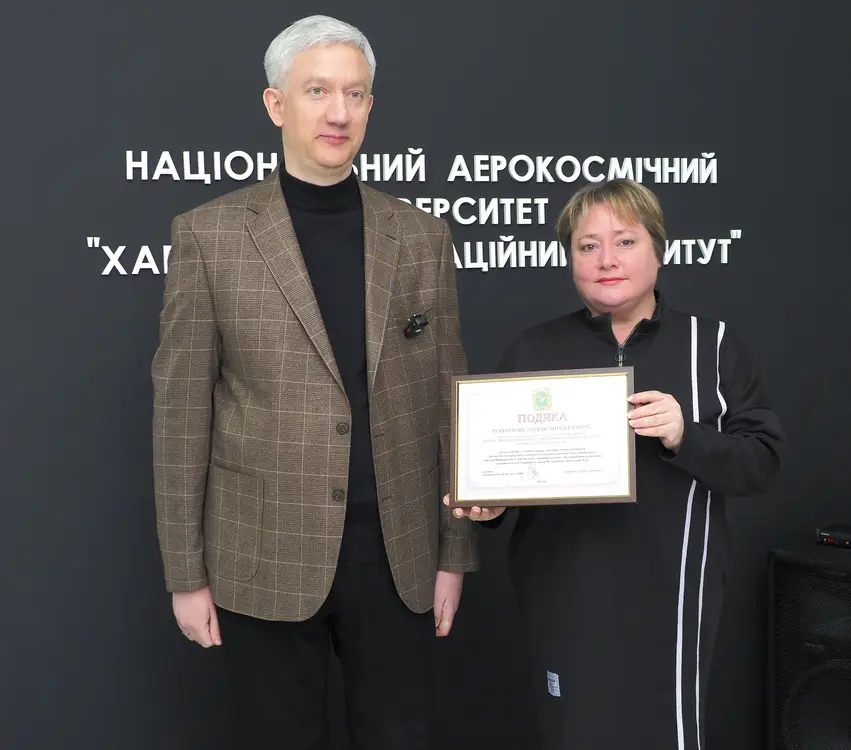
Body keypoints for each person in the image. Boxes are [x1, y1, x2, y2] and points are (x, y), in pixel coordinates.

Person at [151, 15, 477, 750]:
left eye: (355, 94)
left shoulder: (420, 236)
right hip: (260, 559)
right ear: (276, 105)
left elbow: (448, 402)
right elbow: (181, 414)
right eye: (318, 91)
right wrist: (185, 574)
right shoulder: (208, 235)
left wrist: (454, 554)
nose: (339, 112)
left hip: (398, 560)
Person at [447, 179, 784, 749]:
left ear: (659, 250)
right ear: (570, 259)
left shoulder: (711, 345)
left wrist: (686, 436)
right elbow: (500, 481)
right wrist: (487, 505)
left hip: (672, 597)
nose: (606, 259)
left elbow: (763, 463)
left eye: (625, 241)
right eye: (587, 246)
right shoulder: (533, 350)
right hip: (564, 598)